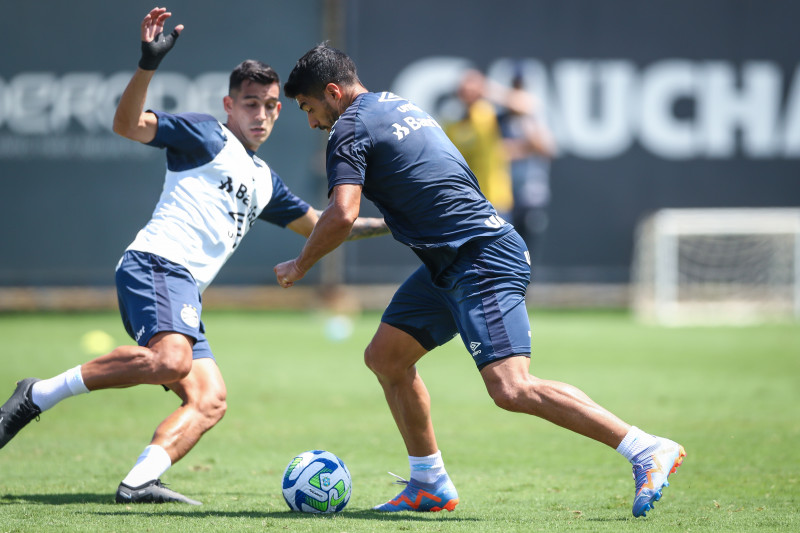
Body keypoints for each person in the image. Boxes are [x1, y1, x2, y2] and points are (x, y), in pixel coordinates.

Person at [274, 43, 686, 518]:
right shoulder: (397, 105)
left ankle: (643, 448)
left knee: (511, 387)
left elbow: (342, 214)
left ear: (332, 92)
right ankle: (429, 482)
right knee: (386, 358)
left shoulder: (348, 126)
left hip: (480, 257)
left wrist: (300, 265)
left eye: (308, 109)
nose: (311, 122)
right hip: (447, 261)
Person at [0, 9, 386, 505]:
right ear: (229, 105)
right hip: (157, 264)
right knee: (170, 359)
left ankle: (140, 481)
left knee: (209, 400)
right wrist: (146, 66)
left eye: (271, 106)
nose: (262, 115)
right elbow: (126, 124)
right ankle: (38, 395)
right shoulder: (206, 135)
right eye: (251, 104)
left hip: (184, 290)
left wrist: (394, 225)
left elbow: (327, 223)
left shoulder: (265, 181)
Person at [495, 70, 558, 266]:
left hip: (530, 195)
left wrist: (523, 139)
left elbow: (547, 148)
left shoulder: (534, 119)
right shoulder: (499, 120)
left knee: (527, 252)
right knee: (503, 249)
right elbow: (496, 152)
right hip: (503, 195)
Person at [443, 69, 514, 222]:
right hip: (466, 203)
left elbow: (526, 105)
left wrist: (488, 90)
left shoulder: (488, 113)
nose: (468, 90)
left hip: (495, 201)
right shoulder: (452, 123)